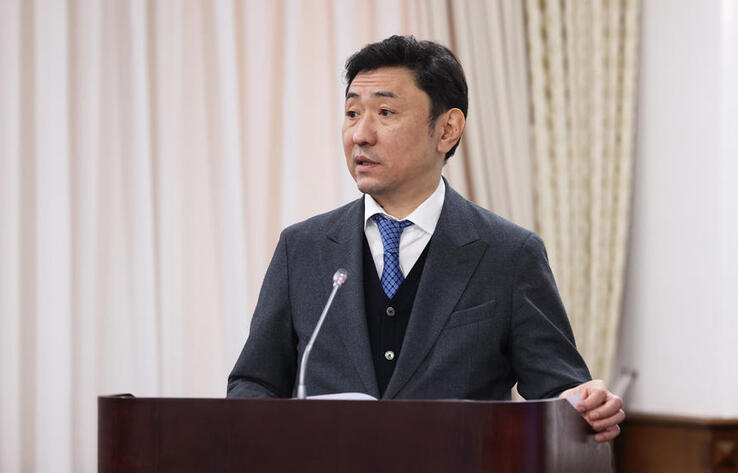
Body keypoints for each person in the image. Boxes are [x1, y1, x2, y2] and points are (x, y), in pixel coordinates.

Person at [228, 35, 624, 443]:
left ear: (447, 129)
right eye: (351, 113)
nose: (360, 134)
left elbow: (559, 389)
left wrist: (582, 403)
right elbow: (254, 382)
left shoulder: (509, 254)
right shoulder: (302, 249)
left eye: (385, 112)